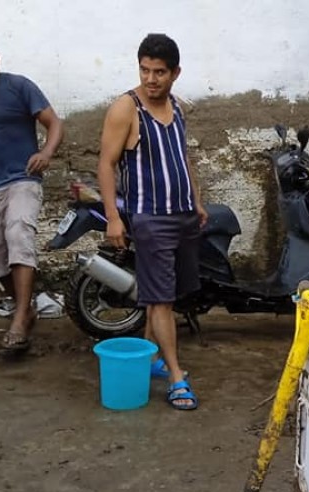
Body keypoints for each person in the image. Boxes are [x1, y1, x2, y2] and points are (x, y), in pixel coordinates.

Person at [97, 33, 207, 410]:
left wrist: (196, 199)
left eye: (159, 72)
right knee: (160, 298)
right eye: (145, 70)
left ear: (175, 73)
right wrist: (114, 217)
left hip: (183, 214)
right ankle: (176, 376)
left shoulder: (177, 106)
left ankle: (154, 359)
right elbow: (106, 165)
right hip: (150, 218)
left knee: (169, 294)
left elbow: (182, 156)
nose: (151, 79)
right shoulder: (126, 109)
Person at [0, 33, 64, 353]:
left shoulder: (18, 87)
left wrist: (47, 152)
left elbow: (54, 123)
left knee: (18, 233)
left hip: (21, 180)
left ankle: (18, 321)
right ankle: (25, 307)